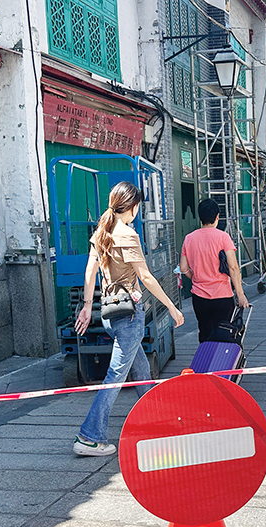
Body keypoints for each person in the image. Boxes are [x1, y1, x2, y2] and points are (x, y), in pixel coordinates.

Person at [73, 181, 184, 456]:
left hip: (109, 313)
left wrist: (87, 307)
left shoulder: (102, 232)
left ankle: (154, 425)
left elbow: (89, 272)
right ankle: (89, 436)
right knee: (115, 377)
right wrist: (171, 306)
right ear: (133, 207)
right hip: (129, 316)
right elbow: (145, 277)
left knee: (142, 371)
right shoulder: (127, 234)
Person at [180, 198, 249, 344]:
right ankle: (222, 364)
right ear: (217, 217)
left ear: (200, 218)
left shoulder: (189, 239)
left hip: (199, 297)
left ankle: (205, 364)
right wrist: (240, 294)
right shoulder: (223, 237)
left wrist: (196, 277)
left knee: (205, 333)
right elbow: (233, 267)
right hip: (222, 296)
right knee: (224, 334)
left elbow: (183, 268)